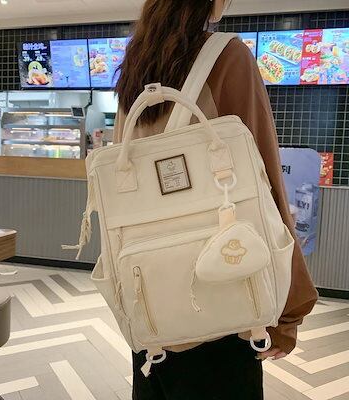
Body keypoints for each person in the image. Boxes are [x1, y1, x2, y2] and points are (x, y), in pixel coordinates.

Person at [114, 1, 318, 399]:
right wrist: (288, 310)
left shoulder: (135, 67)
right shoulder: (227, 56)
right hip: (222, 295)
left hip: (148, 304)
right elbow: (264, 186)